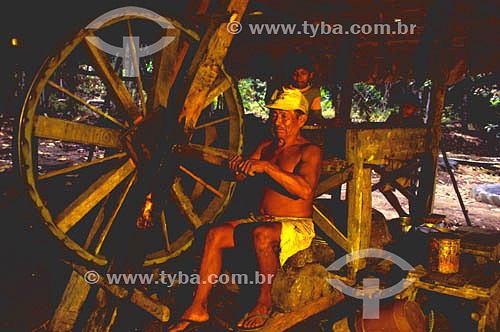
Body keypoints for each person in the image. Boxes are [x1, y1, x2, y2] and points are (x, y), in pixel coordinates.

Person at [167, 88, 322, 332]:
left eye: (284, 117)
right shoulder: (267, 145)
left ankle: (264, 303)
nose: (277, 122)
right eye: (274, 116)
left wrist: (266, 168)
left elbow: (304, 191)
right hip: (260, 220)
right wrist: (237, 168)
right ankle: (198, 307)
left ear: (301, 119)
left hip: (294, 224)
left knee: (261, 234)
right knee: (214, 234)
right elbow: (241, 175)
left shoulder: (309, 151)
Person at [380, 97, 424, 217]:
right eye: (403, 106)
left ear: (415, 110)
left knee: (410, 190)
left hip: (408, 162)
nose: (404, 110)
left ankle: (415, 217)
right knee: (384, 187)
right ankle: (401, 213)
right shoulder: (394, 118)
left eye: (408, 108)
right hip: (392, 160)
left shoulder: (417, 122)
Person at [269, 55, 323, 124]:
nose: (299, 77)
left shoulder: (314, 92)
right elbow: (273, 113)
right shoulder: (281, 90)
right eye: (295, 74)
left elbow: (316, 116)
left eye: (303, 73)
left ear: (310, 75)